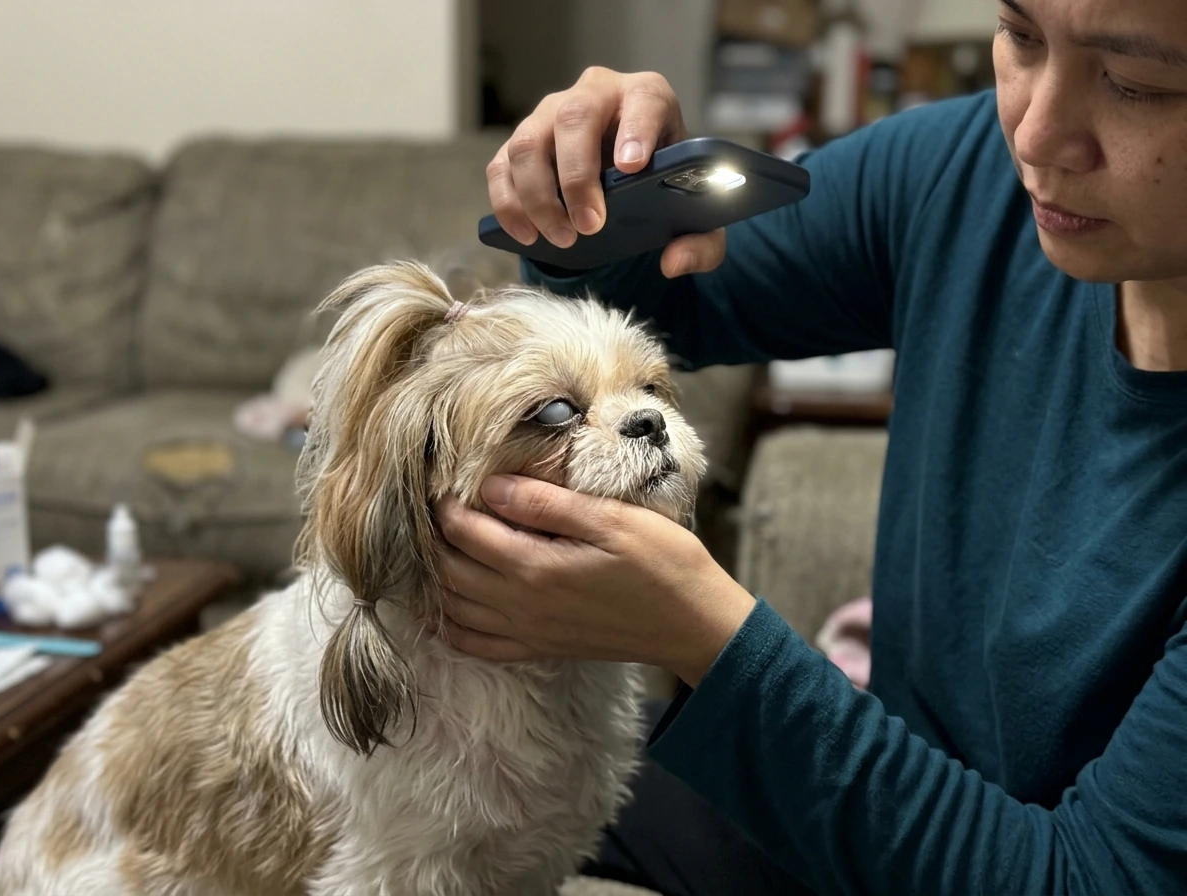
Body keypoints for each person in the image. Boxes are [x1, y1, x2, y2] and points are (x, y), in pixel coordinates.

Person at [432, 0, 1187, 892]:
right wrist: (593, 201)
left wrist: (707, 638)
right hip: (879, 811)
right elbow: (671, 300)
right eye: (1021, 36)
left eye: (1134, 83)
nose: (1034, 131)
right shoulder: (962, 174)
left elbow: (1087, 879)